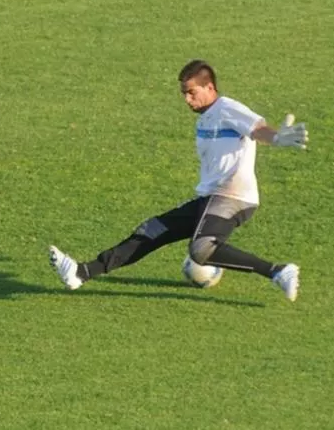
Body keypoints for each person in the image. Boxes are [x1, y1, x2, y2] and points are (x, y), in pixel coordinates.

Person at [49, 60, 308, 301]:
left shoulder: (227, 108)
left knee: (202, 249)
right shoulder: (205, 119)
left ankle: (278, 271)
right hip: (210, 197)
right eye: (183, 93)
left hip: (232, 197)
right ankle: (81, 272)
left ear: (210, 87)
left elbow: (256, 128)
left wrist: (276, 138)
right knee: (152, 230)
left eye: (192, 92)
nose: (186, 99)